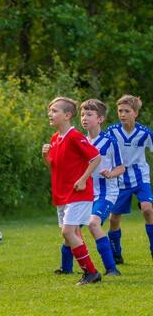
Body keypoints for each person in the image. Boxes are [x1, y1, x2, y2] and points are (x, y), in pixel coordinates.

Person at [42, 97, 102, 285]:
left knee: (68, 233)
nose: (50, 114)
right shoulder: (54, 139)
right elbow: (54, 168)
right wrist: (46, 157)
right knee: (73, 232)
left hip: (78, 193)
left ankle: (91, 272)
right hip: (62, 195)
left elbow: (96, 158)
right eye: (50, 111)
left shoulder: (75, 136)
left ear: (67, 115)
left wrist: (83, 179)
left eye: (54, 111)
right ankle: (87, 271)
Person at [105, 95, 153, 264]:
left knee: (147, 209)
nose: (122, 114)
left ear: (136, 114)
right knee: (114, 218)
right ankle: (116, 253)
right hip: (119, 179)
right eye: (120, 111)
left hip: (140, 178)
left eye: (127, 111)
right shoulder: (112, 131)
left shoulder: (145, 133)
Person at [79, 99, 125, 276]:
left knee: (93, 224)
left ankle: (111, 268)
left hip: (106, 192)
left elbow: (121, 167)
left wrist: (111, 173)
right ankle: (66, 268)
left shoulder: (110, 141)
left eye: (89, 114)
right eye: (83, 114)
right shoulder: (80, 141)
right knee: (71, 227)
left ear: (100, 119)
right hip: (86, 192)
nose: (84, 118)